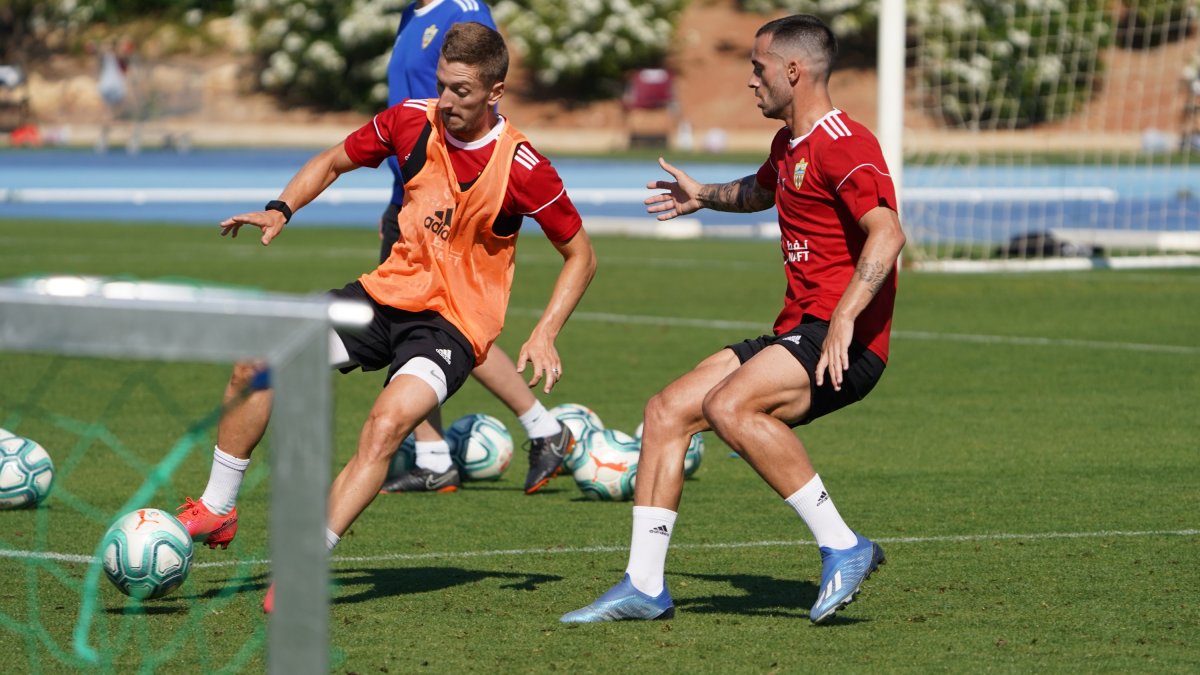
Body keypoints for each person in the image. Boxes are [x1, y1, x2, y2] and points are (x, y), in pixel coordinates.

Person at [174, 22, 597, 613]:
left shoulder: (525, 167)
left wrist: (546, 329)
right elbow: (332, 160)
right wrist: (281, 208)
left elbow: (580, 254)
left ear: (495, 92)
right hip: (382, 297)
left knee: (383, 427)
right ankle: (219, 509)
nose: (447, 102)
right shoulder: (408, 119)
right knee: (259, 360)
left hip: (451, 325)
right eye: (443, 86)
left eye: (463, 92)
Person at [560, 14, 905, 625]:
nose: (751, 80)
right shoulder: (790, 145)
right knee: (666, 410)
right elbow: (761, 190)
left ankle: (844, 545)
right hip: (799, 332)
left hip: (843, 340)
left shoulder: (846, 143)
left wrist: (849, 316)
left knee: (728, 407)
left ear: (793, 71)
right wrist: (703, 195)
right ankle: (644, 584)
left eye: (758, 67)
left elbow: (887, 234)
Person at [375, 0, 575, 496]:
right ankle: (436, 454)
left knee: (446, 321)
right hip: (413, 192)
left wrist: (470, 182)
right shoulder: (410, 15)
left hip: (449, 200)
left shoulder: (463, 11)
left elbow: (485, 87)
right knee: (418, 320)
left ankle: (535, 429)